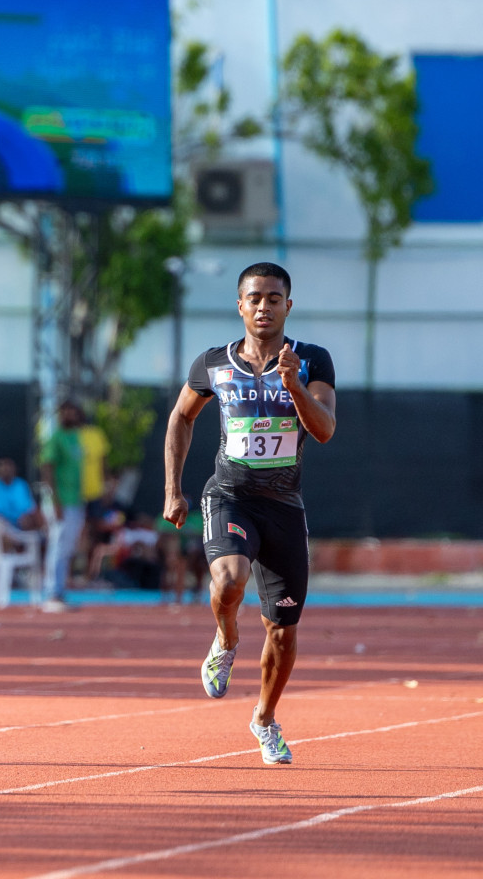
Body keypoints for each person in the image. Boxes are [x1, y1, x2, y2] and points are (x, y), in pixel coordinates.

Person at [164, 262, 336, 766]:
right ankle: (226, 637)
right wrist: (174, 489)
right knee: (230, 578)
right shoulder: (213, 364)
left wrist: (295, 387)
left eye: (273, 298)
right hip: (230, 496)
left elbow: (324, 430)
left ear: (288, 305)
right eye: (254, 298)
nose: (264, 307)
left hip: (284, 506)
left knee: (283, 631)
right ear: (240, 305)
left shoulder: (311, 361)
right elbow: (180, 417)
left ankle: (264, 718)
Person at [38, 400, 86, 611]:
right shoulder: (55, 438)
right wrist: (54, 500)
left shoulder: (76, 438)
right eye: (67, 411)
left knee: (67, 548)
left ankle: (60, 590)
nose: (71, 415)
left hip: (75, 500)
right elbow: (47, 468)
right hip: (60, 501)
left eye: (74, 411)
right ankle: (51, 592)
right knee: (57, 546)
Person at [0, 457, 44, 534]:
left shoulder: (21, 484)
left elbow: (29, 508)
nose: (5, 468)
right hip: (0, 524)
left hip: (21, 524)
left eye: (8, 465)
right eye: (1, 465)